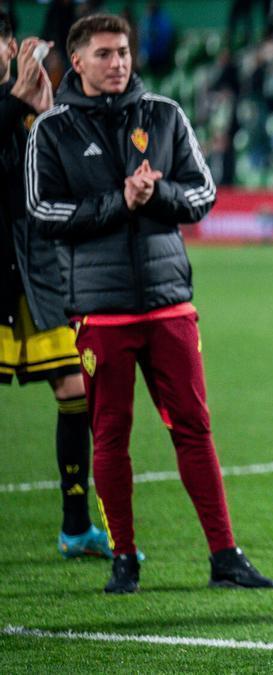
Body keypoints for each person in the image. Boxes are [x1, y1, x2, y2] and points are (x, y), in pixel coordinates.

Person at [25, 13, 273, 594]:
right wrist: (121, 201)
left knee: (195, 429)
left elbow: (202, 193)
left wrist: (155, 192)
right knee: (110, 434)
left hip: (169, 305)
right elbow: (43, 212)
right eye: (105, 54)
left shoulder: (165, 114)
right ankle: (125, 557)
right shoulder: (52, 131)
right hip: (101, 310)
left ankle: (225, 556)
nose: (118, 63)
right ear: (78, 61)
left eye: (124, 52)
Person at [0, 11, 109, 560]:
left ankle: (75, 524)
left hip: (36, 273)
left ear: (10, 44)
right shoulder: (10, 108)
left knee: (74, 390)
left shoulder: (34, 108)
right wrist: (16, 107)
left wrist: (45, 118)